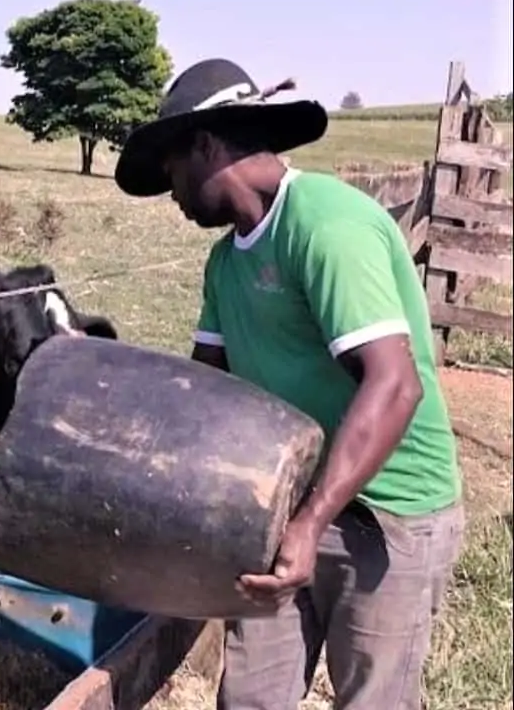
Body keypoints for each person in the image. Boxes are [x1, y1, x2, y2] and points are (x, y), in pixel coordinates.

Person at [113, 58, 465, 710]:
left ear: (206, 146)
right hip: (285, 504)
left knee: (374, 699)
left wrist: (311, 522)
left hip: (389, 511)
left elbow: (395, 386)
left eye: (171, 168)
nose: (171, 192)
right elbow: (203, 392)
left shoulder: (324, 225)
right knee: (251, 696)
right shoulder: (226, 263)